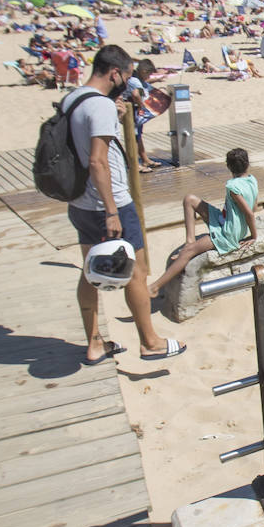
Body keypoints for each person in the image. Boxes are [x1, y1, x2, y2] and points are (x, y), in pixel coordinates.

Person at [66, 45, 185, 363]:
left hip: (79, 201)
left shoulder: (74, 99)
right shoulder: (101, 107)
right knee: (137, 271)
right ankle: (150, 342)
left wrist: (116, 117)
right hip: (110, 201)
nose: (129, 83)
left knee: (90, 271)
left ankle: (94, 343)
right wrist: (112, 211)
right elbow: (97, 162)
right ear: (115, 73)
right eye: (128, 76)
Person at [148, 149, 258, 297]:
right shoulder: (252, 180)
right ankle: (190, 240)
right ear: (247, 164)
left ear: (228, 166)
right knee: (190, 199)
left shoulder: (233, 187)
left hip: (228, 233)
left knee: (188, 252)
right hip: (225, 220)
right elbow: (254, 208)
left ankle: (155, 287)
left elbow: (249, 213)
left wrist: (254, 236)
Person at [123, 58, 159, 173]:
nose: (150, 76)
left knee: (138, 136)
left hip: (134, 110)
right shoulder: (134, 81)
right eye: (149, 74)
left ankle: (145, 159)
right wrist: (141, 106)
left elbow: (146, 86)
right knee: (133, 137)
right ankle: (134, 164)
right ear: (143, 71)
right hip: (133, 111)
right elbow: (136, 94)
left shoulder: (137, 79)